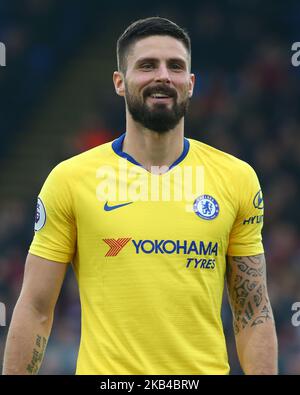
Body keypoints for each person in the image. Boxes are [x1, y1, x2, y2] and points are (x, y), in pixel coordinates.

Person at [3, 17, 278, 375]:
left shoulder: (236, 179)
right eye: (147, 65)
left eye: (175, 66)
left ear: (191, 84)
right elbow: (36, 308)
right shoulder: (70, 179)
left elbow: (252, 312)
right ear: (120, 82)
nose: (163, 76)